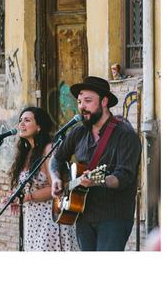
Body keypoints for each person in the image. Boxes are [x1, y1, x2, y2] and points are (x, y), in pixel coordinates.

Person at [49, 76, 141, 251]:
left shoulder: (125, 135)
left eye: (88, 101)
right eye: (79, 101)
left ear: (104, 101)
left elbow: (125, 176)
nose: (82, 106)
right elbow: (57, 158)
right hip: (82, 214)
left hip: (113, 217)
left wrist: (98, 180)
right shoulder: (78, 131)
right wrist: (55, 179)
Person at [7, 106, 78, 251]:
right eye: (20, 120)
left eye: (27, 120)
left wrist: (26, 197)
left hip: (50, 218)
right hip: (32, 218)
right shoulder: (26, 153)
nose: (21, 124)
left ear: (39, 126)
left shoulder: (48, 149)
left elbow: (56, 189)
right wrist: (15, 197)